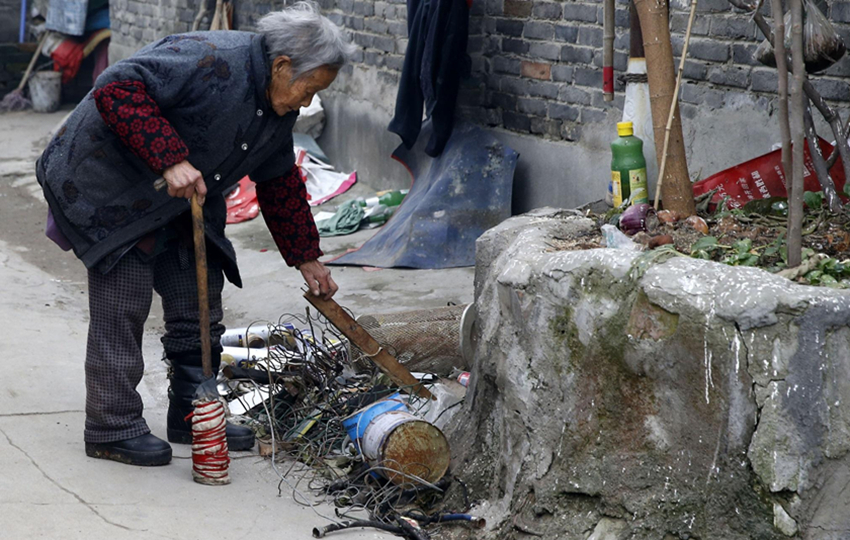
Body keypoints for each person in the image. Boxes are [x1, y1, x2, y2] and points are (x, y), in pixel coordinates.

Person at [36, 1, 354, 466]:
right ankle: (111, 425)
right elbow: (116, 86)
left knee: (199, 302)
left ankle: (194, 414)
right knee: (123, 304)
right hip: (107, 185)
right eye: (310, 88)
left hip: (182, 198)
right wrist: (169, 156)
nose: (307, 102)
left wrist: (307, 256)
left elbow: (280, 180)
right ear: (283, 66)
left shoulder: (277, 105)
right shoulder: (207, 57)